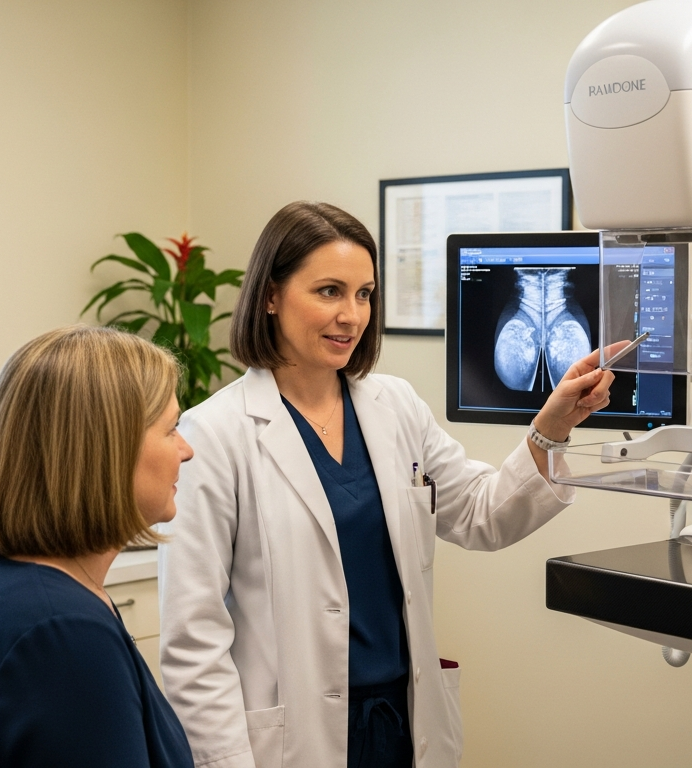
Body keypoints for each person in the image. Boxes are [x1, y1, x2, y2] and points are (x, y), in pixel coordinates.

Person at [158, 202, 618, 768]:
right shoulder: (214, 434)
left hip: (404, 723)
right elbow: (193, 641)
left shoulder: (394, 405)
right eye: (329, 291)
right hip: (290, 739)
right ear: (271, 296)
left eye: (364, 294)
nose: (352, 316)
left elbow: (482, 515)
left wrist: (551, 427)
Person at [0, 325, 196, 768]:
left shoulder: (14, 583)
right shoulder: (60, 634)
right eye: (171, 428)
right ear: (107, 450)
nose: (186, 450)